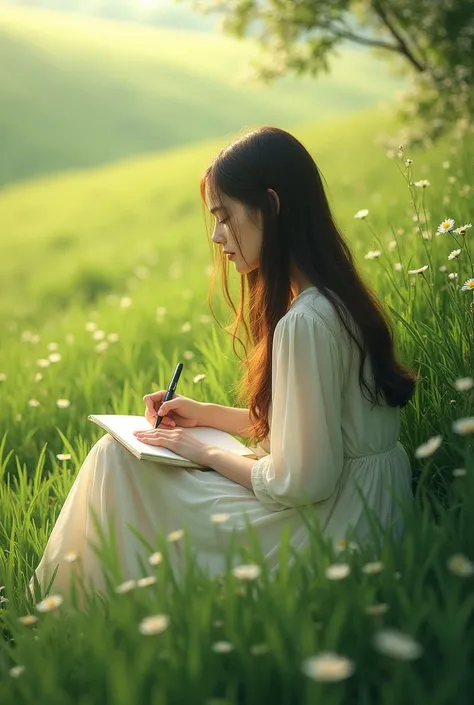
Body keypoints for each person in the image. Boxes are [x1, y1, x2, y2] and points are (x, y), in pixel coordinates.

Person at [27, 126, 417, 609]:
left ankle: (72, 613)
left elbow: (304, 480)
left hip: (330, 530)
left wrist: (204, 452)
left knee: (116, 462)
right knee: (123, 460)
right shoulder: (336, 302)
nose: (217, 236)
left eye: (223, 216)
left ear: (270, 207)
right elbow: (317, 433)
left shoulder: (305, 323)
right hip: (370, 510)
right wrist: (206, 414)